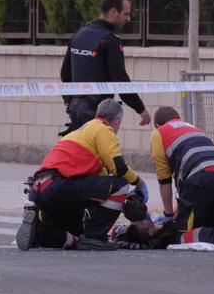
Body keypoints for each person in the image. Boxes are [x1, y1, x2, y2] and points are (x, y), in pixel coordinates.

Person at [17, 99, 148, 251]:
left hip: (40, 189)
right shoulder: (103, 129)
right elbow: (118, 169)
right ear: (117, 120)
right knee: (121, 185)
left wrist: (123, 201)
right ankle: (94, 237)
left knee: (75, 235)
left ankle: (40, 232)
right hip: (59, 187)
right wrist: (139, 184)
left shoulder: (80, 133)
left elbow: (101, 180)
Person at [60, 0, 151, 133]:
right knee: (102, 153)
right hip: (97, 112)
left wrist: (70, 100)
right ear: (114, 12)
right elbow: (120, 80)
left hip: (76, 110)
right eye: (126, 14)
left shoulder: (79, 34)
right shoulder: (110, 40)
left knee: (80, 152)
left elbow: (65, 72)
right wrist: (141, 109)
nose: (128, 19)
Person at [149, 106, 214, 248]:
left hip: (202, 178)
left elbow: (164, 179)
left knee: (180, 234)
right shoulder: (192, 128)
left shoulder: (158, 133)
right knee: (213, 223)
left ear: (158, 125)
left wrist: (168, 215)